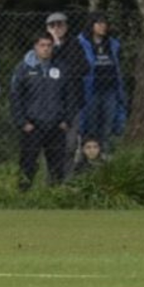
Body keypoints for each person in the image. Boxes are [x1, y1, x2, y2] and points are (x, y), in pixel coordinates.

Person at [10, 32, 76, 190]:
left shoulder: (61, 68)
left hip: (56, 125)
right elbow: (15, 97)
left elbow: (70, 96)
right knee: (28, 163)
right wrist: (22, 122)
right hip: (32, 125)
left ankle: (54, 197)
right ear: (35, 47)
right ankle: (22, 196)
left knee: (56, 165)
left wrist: (66, 121)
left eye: (49, 45)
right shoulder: (23, 68)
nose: (46, 49)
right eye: (42, 45)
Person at [45, 12, 89, 170]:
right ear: (47, 28)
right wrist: (55, 44)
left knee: (70, 144)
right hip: (50, 101)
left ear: (66, 26)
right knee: (52, 144)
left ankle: (67, 177)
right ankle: (53, 178)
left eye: (60, 24)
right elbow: (46, 67)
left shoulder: (75, 44)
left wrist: (64, 72)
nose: (57, 28)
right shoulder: (44, 45)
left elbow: (84, 67)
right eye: (52, 25)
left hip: (73, 100)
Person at [78, 14, 126, 151]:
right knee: (91, 125)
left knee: (108, 125)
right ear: (91, 25)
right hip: (91, 90)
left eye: (105, 23)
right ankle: (88, 158)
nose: (103, 26)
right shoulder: (82, 43)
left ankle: (104, 156)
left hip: (110, 89)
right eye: (99, 23)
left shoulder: (112, 44)